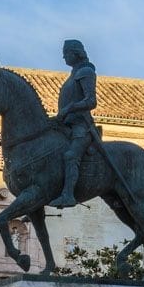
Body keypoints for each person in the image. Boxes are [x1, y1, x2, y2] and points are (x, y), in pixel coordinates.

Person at [50, 39, 98, 208]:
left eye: (66, 53)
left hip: (81, 127)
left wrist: (70, 108)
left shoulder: (86, 72)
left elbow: (91, 101)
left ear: (76, 53)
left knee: (70, 156)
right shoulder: (73, 74)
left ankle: (68, 195)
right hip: (66, 126)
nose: (64, 57)